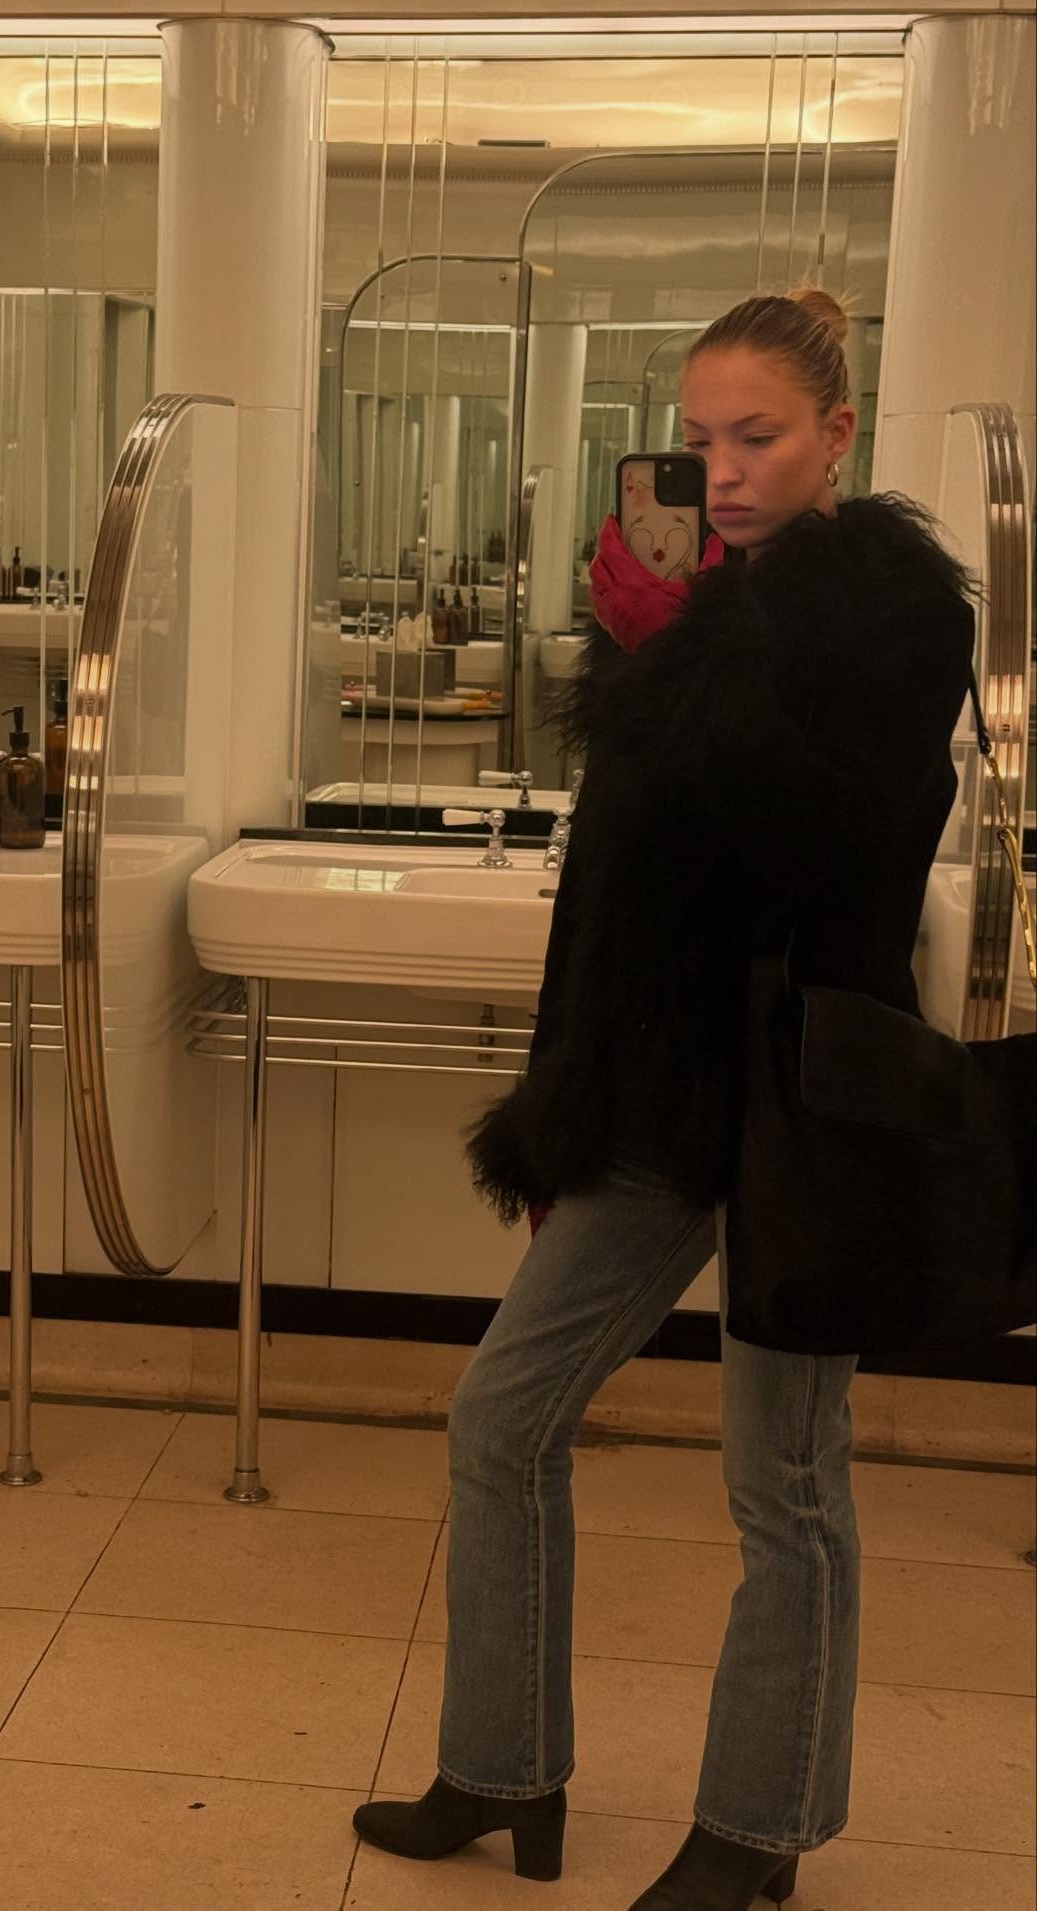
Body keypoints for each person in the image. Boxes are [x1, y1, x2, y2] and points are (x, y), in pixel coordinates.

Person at [352, 287, 977, 1909]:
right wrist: (567, 1107)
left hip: (801, 1095)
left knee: (781, 1478)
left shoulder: (900, 609)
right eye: (701, 443)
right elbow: (610, 893)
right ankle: (503, 1769)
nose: (727, 472)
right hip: (653, 1091)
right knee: (504, 1416)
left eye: (757, 437)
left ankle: (757, 1827)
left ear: (840, 433)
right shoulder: (689, 614)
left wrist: (669, 664)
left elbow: (835, 853)